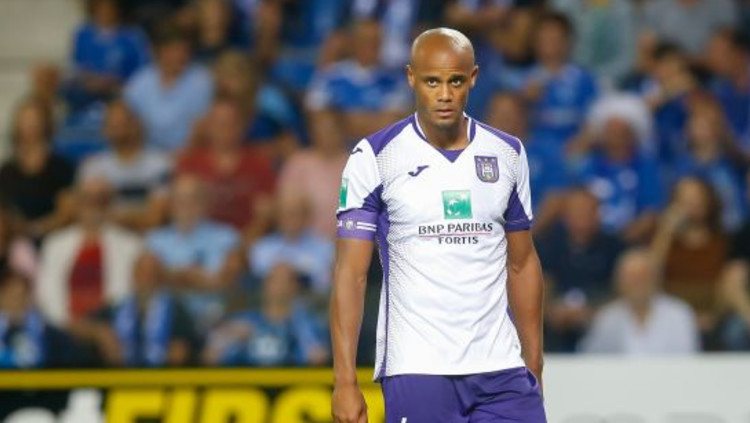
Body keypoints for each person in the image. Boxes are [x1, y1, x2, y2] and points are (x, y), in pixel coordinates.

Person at [331, 28, 546, 423]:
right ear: (411, 77)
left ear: (473, 78)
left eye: (455, 81)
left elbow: (522, 262)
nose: (444, 94)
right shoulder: (375, 156)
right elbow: (351, 273)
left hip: (502, 367)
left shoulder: (508, 153)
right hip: (418, 367)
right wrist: (345, 379)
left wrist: (533, 361)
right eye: (432, 81)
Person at [36, 178, 142, 327]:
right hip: (64, 328)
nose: (93, 206)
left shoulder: (131, 245)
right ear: (78, 203)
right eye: (87, 199)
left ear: (110, 205)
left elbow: (128, 296)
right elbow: (47, 292)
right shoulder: (54, 244)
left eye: (100, 200)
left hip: (112, 327)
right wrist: (70, 326)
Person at [145, 175, 242, 332]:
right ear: (170, 204)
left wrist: (174, 277)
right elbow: (149, 283)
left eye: (193, 199)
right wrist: (201, 279)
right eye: (180, 200)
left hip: (215, 320)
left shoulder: (226, 236)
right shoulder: (155, 240)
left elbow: (228, 283)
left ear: (205, 204)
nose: (186, 206)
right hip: (168, 323)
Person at [71, 252, 196, 367]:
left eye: (152, 274)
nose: (146, 279)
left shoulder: (176, 312)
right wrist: (99, 333)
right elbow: (75, 326)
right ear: (133, 275)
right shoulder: (118, 309)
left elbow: (183, 348)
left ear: (160, 278)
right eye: (141, 273)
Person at [176, 99, 276, 239]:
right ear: (208, 126)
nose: (224, 129)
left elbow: (265, 215)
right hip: (197, 240)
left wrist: (242, 245)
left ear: (241, 127)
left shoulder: (258, 164)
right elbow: (178, 208)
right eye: (218, 123)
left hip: (245, 241)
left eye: (230, 123)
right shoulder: (190, 163)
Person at [538, 189, 623, 352]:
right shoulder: (546, 246)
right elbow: (537, 286)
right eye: (576, 211)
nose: (582, 216)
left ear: (598, 214)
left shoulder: (615, 248)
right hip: (551, 329)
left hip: (601, 324)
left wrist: (596, 312)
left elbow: (620, 290)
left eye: (588, 210)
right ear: (565, 215)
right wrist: (549, 310)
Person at [203, 263, 329, 367]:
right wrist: (231, 338)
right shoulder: (244, 320)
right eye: (272, 280)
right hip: (245, 384)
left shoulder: (305, 324)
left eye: (283, 280)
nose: (277, 286)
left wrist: (295, 336)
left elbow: (319, 358)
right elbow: (210, 357)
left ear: (294, 287)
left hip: (292, 382)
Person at [305, 19, 411, 142]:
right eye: (366, 41)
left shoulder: (393, 81)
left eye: (376, 41)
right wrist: (369, 119)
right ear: (353, 42)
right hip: (335, 149)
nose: (372, 46)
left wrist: (341, 118)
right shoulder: (330, 75)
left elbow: (390, 124)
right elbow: (318, 117)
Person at [580, 249, 700, 355]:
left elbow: (688, 358)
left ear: (656, 278)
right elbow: (592, 359)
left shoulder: (679, 314)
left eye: (642, 276)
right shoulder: (607, 317)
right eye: (630, 278)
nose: (636, 284)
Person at [78, 100, 171, 232]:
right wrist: (133, 217)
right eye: (111, 124)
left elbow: (155, 219)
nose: (116, 129)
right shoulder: (93, 166)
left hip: (144, 236)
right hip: (104, 236)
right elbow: (86, 215)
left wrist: (114, 217)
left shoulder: (158, 163)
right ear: (104, 129)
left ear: (135, 124)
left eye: (121, 123)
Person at [650, 177, 729, 330]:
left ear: (709, 201)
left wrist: (714, 316)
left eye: (697, 197)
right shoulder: (663, 239)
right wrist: (665, 231)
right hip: (670, 316)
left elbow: (728, 286)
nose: (693, 204)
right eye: (685, 199)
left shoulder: (723, 241)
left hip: (714, 317)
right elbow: (649, 275)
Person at [123, 26, 213, 151]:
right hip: (147, 155)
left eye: (184, 51)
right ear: (160, 52)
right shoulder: (139, 83)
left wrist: (181, 156)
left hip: (189, 153)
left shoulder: (201, 81)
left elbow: (201, 127)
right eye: (174, 50)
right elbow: (131, 124)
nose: (180, 56)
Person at [0, 100, 76, 240]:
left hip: (55, 237)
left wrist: (38, 229)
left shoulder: (61, 167)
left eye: (35, 120)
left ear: (45, 124)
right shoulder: (6, 171)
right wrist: (21, 229)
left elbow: (67, 211)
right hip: (16, 240)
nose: (30, 125)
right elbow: (6, 211)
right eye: (25, 120)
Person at [65, 0, 150, 112]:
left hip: (121, 92)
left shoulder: (133, 37)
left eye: (110, 7)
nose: (106, 12)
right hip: (87, 92)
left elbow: (143, 72)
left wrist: (116, 83)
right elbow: (76, 67)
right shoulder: (83, 34)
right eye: (101, 8)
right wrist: (93, 81)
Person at [278, 109, 349, 239]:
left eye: (330, 131)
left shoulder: (352, 165)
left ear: (342, 132)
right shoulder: (298, 163)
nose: (325, 136)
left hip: (342, 239)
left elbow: (348, 205)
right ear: (312, 132)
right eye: (320, 130)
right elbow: (287, 206)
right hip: (300, 239)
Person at [249, 195, 334, 295]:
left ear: (307, 217)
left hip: (311, 299)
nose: (290, 219)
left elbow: (324, 283)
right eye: (285, 214)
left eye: (296, 214)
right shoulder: (262, 247)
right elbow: (257, 280)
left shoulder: (325, 247)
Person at [0, 272, 78, 368]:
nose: (15, 301)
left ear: (29, 298)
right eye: (10, 295)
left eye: (21, 295)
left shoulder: (48, 334)